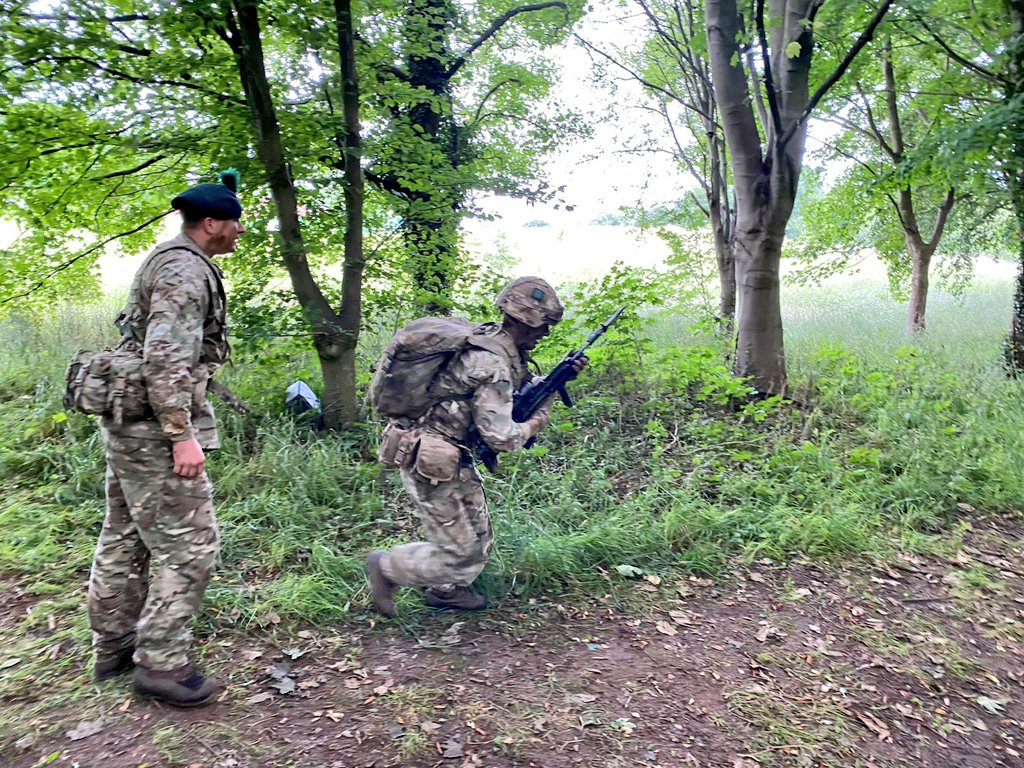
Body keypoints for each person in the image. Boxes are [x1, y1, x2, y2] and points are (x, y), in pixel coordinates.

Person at [87, 177, 244, 707]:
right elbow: (166, 357)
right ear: (211, 224)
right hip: (154, 429)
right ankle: (161, 663)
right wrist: (181, 435)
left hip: (130, 422)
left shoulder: (170, 258)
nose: (239, 231)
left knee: (124, 535)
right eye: (235, 222)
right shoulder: (185, 270)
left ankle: (113, 645)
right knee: (191, 546)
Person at [366, 277, 584, 617]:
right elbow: (502, 437)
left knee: (479, 537)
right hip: (430, 456)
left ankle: (445, 591)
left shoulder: (496, 343)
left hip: (455, 453)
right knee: (459, 553)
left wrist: (556, 379)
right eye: (543, 326)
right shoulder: (491, 362)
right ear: (527, 322)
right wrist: (539, 418)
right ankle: (387, 567)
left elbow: (510, 390)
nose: (545, 333)